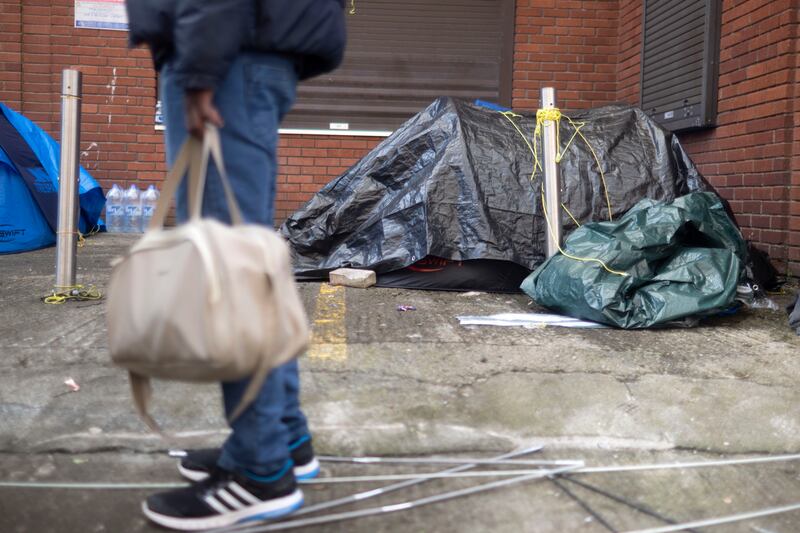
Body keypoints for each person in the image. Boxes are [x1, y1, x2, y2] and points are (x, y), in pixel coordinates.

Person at [125, 1, 346, 529]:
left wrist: (200, 68)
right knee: (251, 266)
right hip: (239, 52)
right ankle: (285, 440)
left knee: (233, 271)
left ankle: (260, 470)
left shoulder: (214, 64)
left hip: (223, 56)